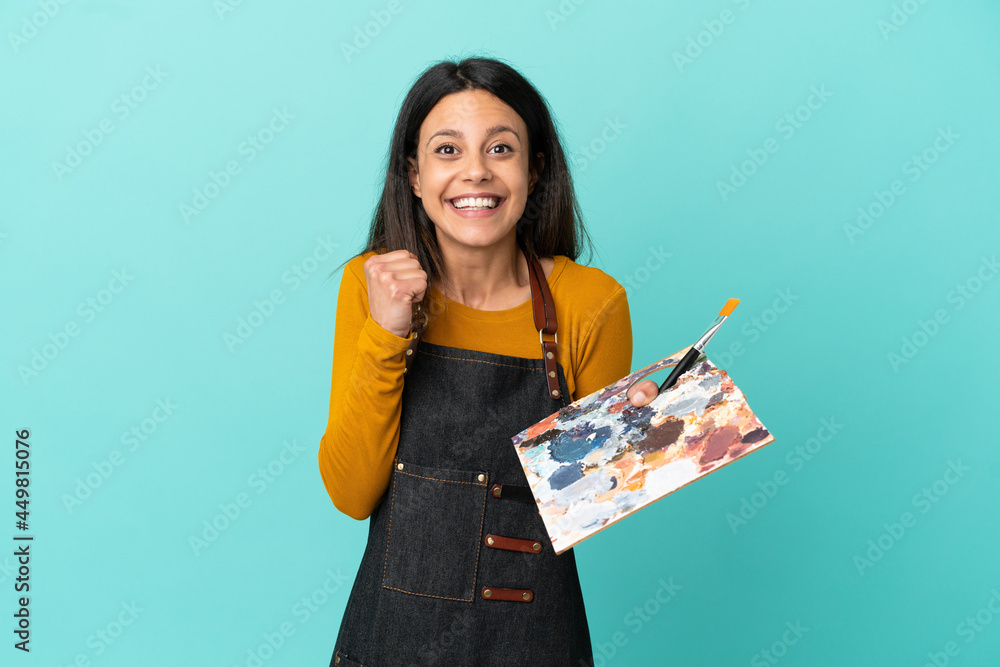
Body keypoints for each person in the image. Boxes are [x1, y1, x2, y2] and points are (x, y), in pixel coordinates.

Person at [318, 56, 659, 667]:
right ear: (414, 175)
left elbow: (583, 512)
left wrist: (638, 440)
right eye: (447, 150)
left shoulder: (592, 303)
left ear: (535, 169)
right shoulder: (368, 284)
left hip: (534, 641)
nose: (475, 172)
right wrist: (388, 332)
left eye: (501, 149)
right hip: (392, 639)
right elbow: (350, 492)